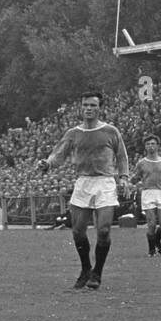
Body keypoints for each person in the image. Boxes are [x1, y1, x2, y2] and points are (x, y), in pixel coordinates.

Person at [38, 90, 130, 290]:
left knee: (104, 230)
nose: (89, 109)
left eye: (93, 105)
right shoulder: (74, 133)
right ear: (81, 108)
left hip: (105, 182)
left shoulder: (111, 131)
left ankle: (97, 273)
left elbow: (121, 156)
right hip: (83, 182)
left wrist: (123, 177)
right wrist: (48, 163)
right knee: (78, 231)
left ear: (100, 108)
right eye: (86, 105)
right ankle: (86, 268)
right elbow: (59, 153)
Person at [131, 135, 161, 257]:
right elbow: (135, 178)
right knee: (152, 225)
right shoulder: (141, 163)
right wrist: (131, 182)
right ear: (145, 147)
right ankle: (151, 250)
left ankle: (157, 241)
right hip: (148, 193)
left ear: (158, 146)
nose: (150, 146)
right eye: (148, 144)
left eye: (153, 144)